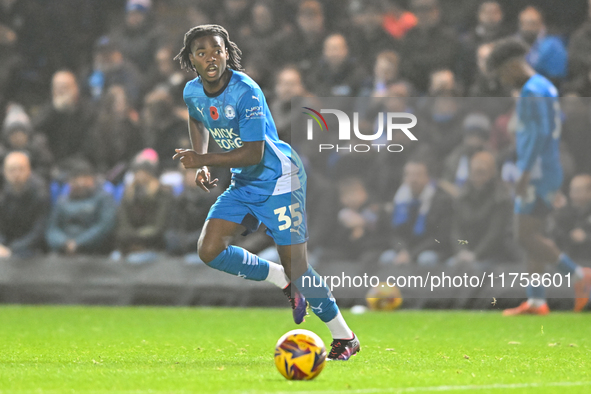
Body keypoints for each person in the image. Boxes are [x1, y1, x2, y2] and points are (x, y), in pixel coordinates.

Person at [172, 24, 359, 360]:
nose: (211, 57)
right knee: (209, 249)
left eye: (217, 50)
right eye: (201, 53)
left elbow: (254, 153)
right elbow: (197, 118)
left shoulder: (246, 91)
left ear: (227, 52)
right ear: (191, 60)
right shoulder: (192, 92)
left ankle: (345, 337)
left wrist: (203, 158)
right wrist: (201, 162)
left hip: (278, 180)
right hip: (244, 183)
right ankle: (281, 281)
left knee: (299, 267)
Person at [486, 38, 591, 315]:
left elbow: (541, 134)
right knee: (533, 234)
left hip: (538, 171)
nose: (503, 80)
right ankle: (536, 300)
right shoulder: (545, 86)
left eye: (501, 74)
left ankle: (581, 275)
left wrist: (526, 171)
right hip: (547, 168)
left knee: (524, 236)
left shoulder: (532, 90)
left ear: (511, 66)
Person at [449, 151, 514, 269]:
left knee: (474, 270)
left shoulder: (500, 199)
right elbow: (456, 230)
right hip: (466, 252)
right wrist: (462, 251)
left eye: (481, 172)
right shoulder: (462, 196)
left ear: (492, 173)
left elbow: (495, 233)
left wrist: (475, 255)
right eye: (474, 172)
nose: (477, 176)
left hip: (492, 256)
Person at [46, 159, 117, 255]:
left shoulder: (103, 199)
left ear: (92, 180)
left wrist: (78, 243)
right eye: (75, 180)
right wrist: (63, 243)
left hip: (93, 251)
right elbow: (52, 228)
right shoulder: (62, 201)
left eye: (85, 179)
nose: (80, 183)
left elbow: (104, 226)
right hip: (63, 250)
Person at [0, 151, 49, 259]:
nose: (16, 174)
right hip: (5, 247)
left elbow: (39, 229)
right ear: (5, 172)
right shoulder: (3, 193)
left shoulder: (40, 193)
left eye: (21, 169)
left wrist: (13, 249)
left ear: (29, 170)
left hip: (32, 248)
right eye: (12, 170)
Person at [550, 174, 591, 265]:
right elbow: (553, 235)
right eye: (571, 190)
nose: (573, 195)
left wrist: (587, 237)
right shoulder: (565, 212)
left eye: (578, 191)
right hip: (570, 263)